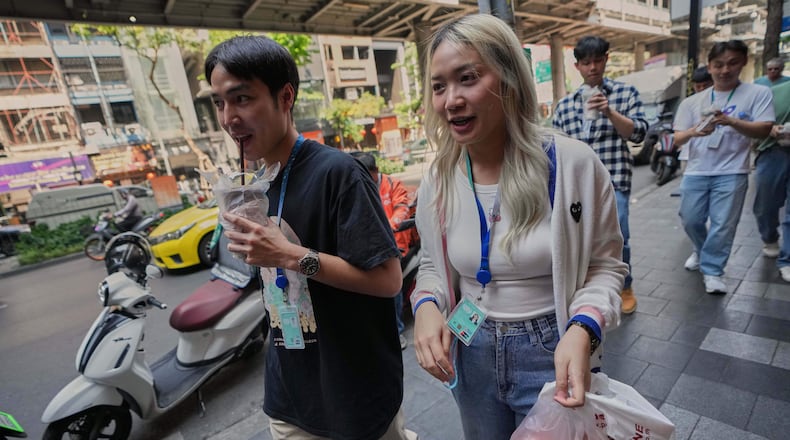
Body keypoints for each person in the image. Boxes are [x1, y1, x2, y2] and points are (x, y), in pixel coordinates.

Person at [411, 14, 627, 440]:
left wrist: (583, 328)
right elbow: (433, 267)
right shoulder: (437, 179)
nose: (450, 99)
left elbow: (607, 266)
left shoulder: (572, 165)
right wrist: (426, 307)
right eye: (438, 86)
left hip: (553, 347)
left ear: (508, 78)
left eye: (467, 78)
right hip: (470, 346)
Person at [205, 36, 416, 440]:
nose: (229, 116)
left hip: (356, 395)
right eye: (219, 102)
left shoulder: (339, 173)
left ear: (285, 97)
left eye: (242, 98)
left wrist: (290, 255)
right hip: (290, 396)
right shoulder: (250, 184)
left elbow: (388, 280)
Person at [552, 35, 647, 315]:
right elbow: (557, 147)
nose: (592, 67)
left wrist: (609, 111)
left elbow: (639, 133)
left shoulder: (624, 94)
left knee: (619, 238)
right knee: (574, 237)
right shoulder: (565, 105)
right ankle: (584, 288)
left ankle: (624, 285)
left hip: (615, 180)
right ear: (577, 66)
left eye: (597, 61)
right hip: (574, 187)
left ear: (606, 59)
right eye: (585, 63)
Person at [672, 40, 774, 294]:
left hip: (733, 170)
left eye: (732, 63)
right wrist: (695, 132)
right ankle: (701, 250)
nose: (725, 70)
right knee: (690, 218)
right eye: (718, 65)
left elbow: (764, 129)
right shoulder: (692, 102)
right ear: (710, 66)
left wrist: (730, 121)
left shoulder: (757, 94)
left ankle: (713, 270)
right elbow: (676, 138)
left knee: (723, 224)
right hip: (696, 169)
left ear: (743, 63)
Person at [357, 152, 412, 350]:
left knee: (390, 281)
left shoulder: (392, 184)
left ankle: (396, 330)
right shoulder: (359, 187)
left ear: (376, 171)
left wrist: (385, 228)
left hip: (395, 244)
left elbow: (402, 209)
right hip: (369, 247)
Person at [753, 80, 790, 282]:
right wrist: (771, 129)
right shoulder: (772, 93)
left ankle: (788, 259)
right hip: (773, 152)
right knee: (764, 206)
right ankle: (769, 238)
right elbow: (754, 122)